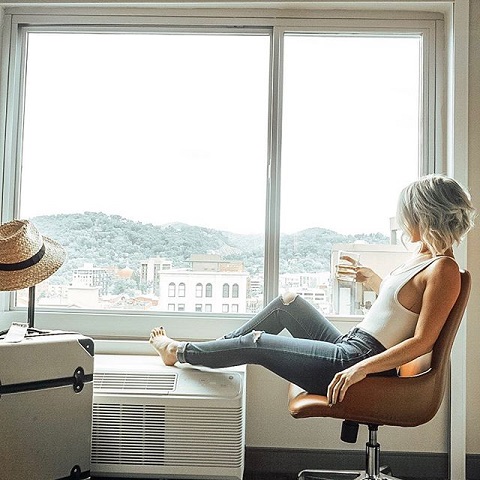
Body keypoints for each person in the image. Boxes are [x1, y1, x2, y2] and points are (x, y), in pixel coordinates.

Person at [149, 174, 475, 407]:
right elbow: (400, 309)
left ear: (427, 215)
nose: (404, 223)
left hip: (360, 358)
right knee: (288, 302)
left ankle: (179, 351)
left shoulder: (445, 270)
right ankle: (218, 348)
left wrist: (360, 367)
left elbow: (422, 341)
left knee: (256, 343)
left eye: (408, 215)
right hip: (352, 344)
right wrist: (373, 280)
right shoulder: (423, 257)